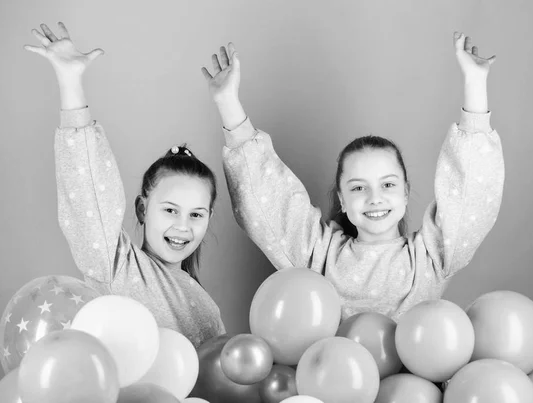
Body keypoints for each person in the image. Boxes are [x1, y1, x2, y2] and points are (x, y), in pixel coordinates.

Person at [202, 32, 504, 321]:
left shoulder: (431, 256)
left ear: (405, 193)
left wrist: (476, 84)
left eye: (388, 184)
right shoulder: (319, 255)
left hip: (415, 376)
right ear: (342, 200)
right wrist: (227, 102)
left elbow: (470, 196)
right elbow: (266, 202)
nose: (375, 198)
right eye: (359, 187)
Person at [25, 22, 225, 347]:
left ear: (209, 219)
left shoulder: (207, 308)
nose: (182, 226)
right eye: (171, 209)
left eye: (196, 214)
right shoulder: (118, 268)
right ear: (142, 209)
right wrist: (71, 82)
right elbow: (90, 198)